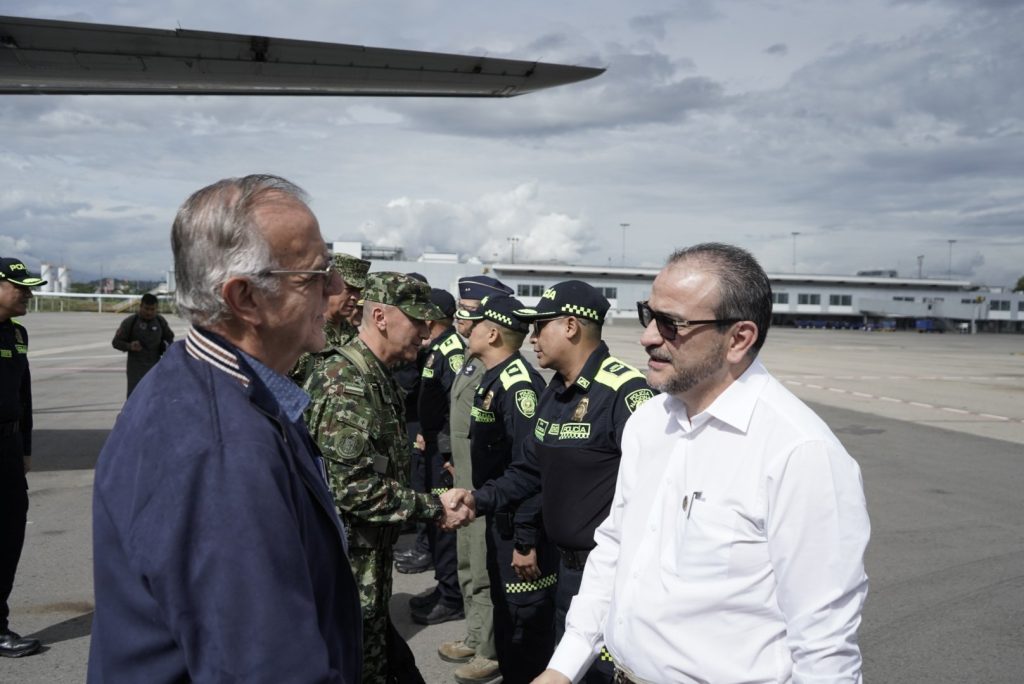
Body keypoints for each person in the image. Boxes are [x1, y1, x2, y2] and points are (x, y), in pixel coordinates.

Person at [531, 243, 871, 684]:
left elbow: (825, 646)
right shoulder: (649, 423)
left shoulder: (800, 453)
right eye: (648, 314)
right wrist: (565, 664)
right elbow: (614, 549)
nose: (648, 335)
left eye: (672, 324)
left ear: (739, 339)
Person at [89, 175, 363, 682]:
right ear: (246, 300)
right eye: (318, 275)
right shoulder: (220, 452)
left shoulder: (214, 387)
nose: (339, 290)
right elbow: (264, 668)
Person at [443, 280, 655, 683]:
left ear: (571, 326)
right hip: (565, 573)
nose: (532, 338)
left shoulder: (626, 394)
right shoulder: (553, 393)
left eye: (540, 326)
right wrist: (476, 499)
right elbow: (528, 471)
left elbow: (656, 493)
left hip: (608, 578)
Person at [304, 271, 458, 684]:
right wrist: (432, 505)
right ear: (381, 316)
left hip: (371, 558)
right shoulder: (347, 382)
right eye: (417, 321)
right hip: (350, 566)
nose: (426, 333)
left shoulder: (376, 374)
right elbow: (352, 489)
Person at [456, 294, 555, 684]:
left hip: (517, 526)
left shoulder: (518, 387)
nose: (467, 327)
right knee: (504, 610)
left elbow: (531, 470)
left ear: (492, 332)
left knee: (523, 623)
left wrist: (525, 539)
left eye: (475, 323)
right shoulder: (493, 377)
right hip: (499, 514)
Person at [435, 275, 513, 683]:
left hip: (485, 485)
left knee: (483, 566)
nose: (463, 316)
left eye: (471, 309)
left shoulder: (497, 365)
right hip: (463, 475)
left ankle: (489, 648)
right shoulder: (470, 356)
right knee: (466, 558)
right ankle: (474, 632)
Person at [407, 288, 466, 626]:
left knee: (446, 524)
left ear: (430, 317)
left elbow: (456, 407)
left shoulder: (452, 350)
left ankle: (452, 596)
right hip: (430, 445)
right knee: (434, 520)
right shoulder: (437, 349)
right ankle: (443, 586)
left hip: (442, 452)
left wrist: (449, 452)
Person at [0, 257, 46, 659]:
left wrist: (27, 447)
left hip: (9, 451)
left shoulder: (18, 334)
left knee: (9, 535)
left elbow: (24, 395)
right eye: (21, 287)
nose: (28, 294)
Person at [289, 251, 370, 385]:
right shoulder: (304, 331)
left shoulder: (353, 334)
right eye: (349, 289)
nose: (355, 297)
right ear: (331, 286)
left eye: (358, 291)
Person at [111, 292, 175, 397]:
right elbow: (116, 342)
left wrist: (165, 346)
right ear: (140, 306)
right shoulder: (130, 322)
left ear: (156, 309)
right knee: (135, 400)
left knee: (154, 400)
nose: (149, 312)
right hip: (136, 372)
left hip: (155, 370)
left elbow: (169, 338)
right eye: (146, 308)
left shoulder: (160, 321)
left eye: (152, 309)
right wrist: (129, 346)